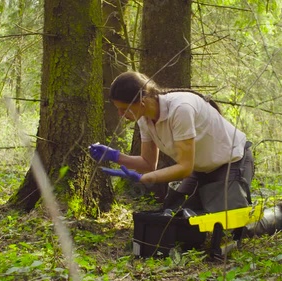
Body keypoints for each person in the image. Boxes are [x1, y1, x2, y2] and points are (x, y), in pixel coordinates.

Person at [89, 71, 254, 212]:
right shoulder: (144, 118)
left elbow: (184, 168)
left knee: (229, 227)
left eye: (124, 109)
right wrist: (115, 156)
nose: (120, 114)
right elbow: (148, 163)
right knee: (174, 217)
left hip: (232, 161)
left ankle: (277, 216)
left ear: (142, 102)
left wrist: (144, 179)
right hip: (201, 170)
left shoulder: (181, 109)